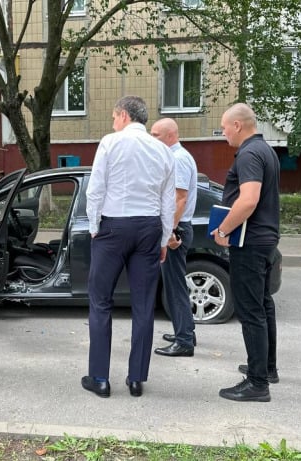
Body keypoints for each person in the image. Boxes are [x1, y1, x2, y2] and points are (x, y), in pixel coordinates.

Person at [82, 96, 175, 398]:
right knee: (144, 304)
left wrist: (95, 227)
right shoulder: (163, 150)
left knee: (100, 301)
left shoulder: (110, 143)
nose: (112, 122)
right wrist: (163, 238)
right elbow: (168, 200)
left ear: (123, 115)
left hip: (113, 225)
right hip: (148, 227)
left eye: (113, 116)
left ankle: (99, 378)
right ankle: (136, 379)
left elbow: (96, 188)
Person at [211, 103, 280, 402]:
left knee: (251, 311)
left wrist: (224, 230)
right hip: (264, 240)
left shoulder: (250, 154)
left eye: (225, 127)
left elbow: (248, 200)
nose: (223, 132)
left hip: (249, 242)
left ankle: (256, 384)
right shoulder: (266, 150)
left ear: (238, 125)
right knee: (263, 305)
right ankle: (266, 368)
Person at [150, 118, 198, 357]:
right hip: (179, 227)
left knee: (174, 287)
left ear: (170, 136)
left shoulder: (178, 159)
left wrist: (169, 232)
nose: (152, 138)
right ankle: (186, 329)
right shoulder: (178, 157)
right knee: (176, 283)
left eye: (156, 135)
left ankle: (184, 341)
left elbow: (180, 199)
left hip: (177, 229)